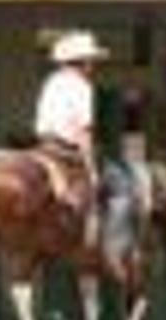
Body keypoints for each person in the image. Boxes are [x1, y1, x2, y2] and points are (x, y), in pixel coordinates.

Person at [33, 29, 109, 247]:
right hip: (65, 147)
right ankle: (91, 241)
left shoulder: (51, 81)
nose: (93, 65)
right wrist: (92, 169)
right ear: (83, 62)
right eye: (91, 60)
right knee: (107, 188)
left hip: (43, 143)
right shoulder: (82, 87)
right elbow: (83, 132)